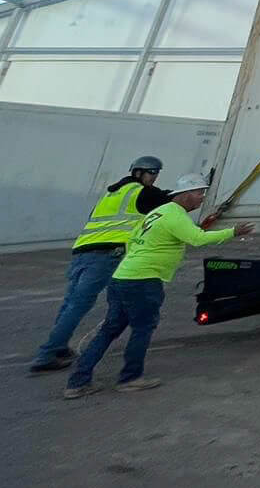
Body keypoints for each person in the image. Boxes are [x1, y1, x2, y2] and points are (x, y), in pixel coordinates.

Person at [62, 173, 252, 399]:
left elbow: (131, 240)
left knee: (110, 329)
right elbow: (198, 239)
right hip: (144, 281)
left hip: (123, 277)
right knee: (143, 328)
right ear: (185, 195)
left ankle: (78, 382)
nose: (202, 198)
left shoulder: (156, 212)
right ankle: (130, 378)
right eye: (199, 193)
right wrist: (232, 232)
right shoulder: (175, 215)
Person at [29, 155, 174, 373]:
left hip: (82, 252)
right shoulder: (142, 192)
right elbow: (171, 202)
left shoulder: (112, 192)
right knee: (79, 305)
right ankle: (46, 354)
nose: (154, 178)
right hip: (106, 255)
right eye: (153, 173)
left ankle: (59, 347)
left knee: (71, 303)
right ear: (140, 173)